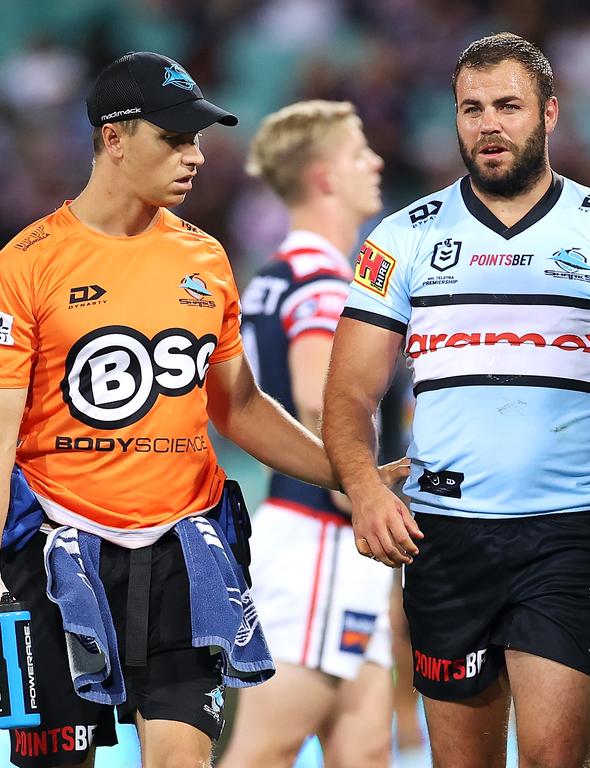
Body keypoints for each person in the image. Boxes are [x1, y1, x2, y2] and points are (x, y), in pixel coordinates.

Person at [321, 32, 590, 768]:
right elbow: (351, 389)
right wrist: (361, 485)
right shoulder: (402, 239)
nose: (488, 124)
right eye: (471, 108)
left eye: (507, 106)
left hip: (563, 539)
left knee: (553, 758)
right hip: (444, 540)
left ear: (548, 112)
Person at [0, 53, 361, 768]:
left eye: (198, 139)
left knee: (181, 759)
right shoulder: (27, 263)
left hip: (184, 559)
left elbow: (241, 408)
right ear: (114, 140)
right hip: (50, 557)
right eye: (174, 139)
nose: (195, 157)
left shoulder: (206, 259)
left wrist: (357, 476)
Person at [215, 101, 404, 768]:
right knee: (264, 750)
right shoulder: (326, 281)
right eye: (359, 153)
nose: (376, 161)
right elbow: (320, 402)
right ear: (324, 176)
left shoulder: (274, 276)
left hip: (311, 536)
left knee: (366, 749)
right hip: (321, 537)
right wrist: (370, 501)